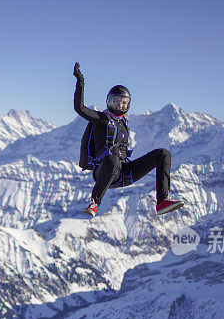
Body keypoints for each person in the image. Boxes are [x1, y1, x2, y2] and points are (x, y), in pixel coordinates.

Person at [73, 62, 184, 217]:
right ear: (109, 102)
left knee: (163, 154)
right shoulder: (101, 119)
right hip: (104, 171)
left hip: (124, 173)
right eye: (116, 101)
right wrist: (80, 82)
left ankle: (162, 201)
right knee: (112, 159)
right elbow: (80, 108)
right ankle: (95, 202)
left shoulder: (124, 123)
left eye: (124, 102)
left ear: (128, 104)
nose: (120, 105)